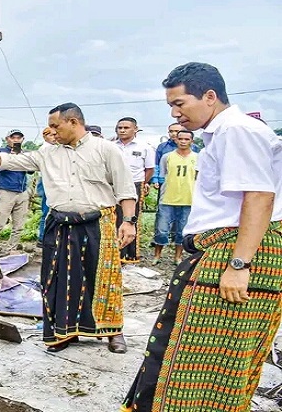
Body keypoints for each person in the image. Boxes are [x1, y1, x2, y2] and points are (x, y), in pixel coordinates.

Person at [123, 62, 282, 412]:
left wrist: (240, 264)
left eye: (180, 103)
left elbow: (259, 196)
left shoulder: (237, 131)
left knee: (204, 360)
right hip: (223, 248)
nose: (176, 114)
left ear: (210, 96)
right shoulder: (224, 134)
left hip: (235, 251)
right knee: (190, 352)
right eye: (171, 106)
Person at [0, 103, 137, 353]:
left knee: (104, 279)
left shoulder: (105, 149)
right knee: (58, 281)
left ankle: (113, 332)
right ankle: (64, 333)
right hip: (60, 224)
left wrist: (129, 222)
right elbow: (8, 161)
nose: (52, 131)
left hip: (99, 222)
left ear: (74, 122)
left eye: (56, 126)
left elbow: (125, 189)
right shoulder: (47, 153)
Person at [152, 130, 197, 264]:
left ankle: (178, 257)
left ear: (191, 141)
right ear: (176, 140)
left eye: (186, 139)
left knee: (182, 230)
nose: (183, 141)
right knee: (161, 229)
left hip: (188, 198)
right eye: (180, 139)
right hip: (168, 198)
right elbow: (162, 174)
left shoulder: (197, 157)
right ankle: (157, 256)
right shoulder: (167, 156)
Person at [114, 117, 155, 264]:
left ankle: (129, 256)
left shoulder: (144, 147)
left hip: (134, 185)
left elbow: (149, 169)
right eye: (120, 128)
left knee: (131, 219)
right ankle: (114, 253)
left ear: (135, 129)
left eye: (126, 127)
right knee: (113, 218)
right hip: (114, 186)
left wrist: (143, 182)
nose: (122, 130)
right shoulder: (112, 146)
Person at [0, 129, 32, 252]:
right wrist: (13, 156)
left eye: (19, 138)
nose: (16, 140)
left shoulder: (24, 154)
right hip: (6, 191)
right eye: (13, 138)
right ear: (7, 139)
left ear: (23, 140)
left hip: (22, 191)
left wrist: (21, 156)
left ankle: (11, 249)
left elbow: (31, 170)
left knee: (19, 226)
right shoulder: (0, 153)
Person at [36, 127, 57, 246]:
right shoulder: (45, 149)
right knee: (46, 210)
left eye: (55, 135)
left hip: (50, 181)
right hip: (46, 181)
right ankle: (42, 238)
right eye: (51, 135)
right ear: (45, 136)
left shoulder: (54, 148)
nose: (54, 137)